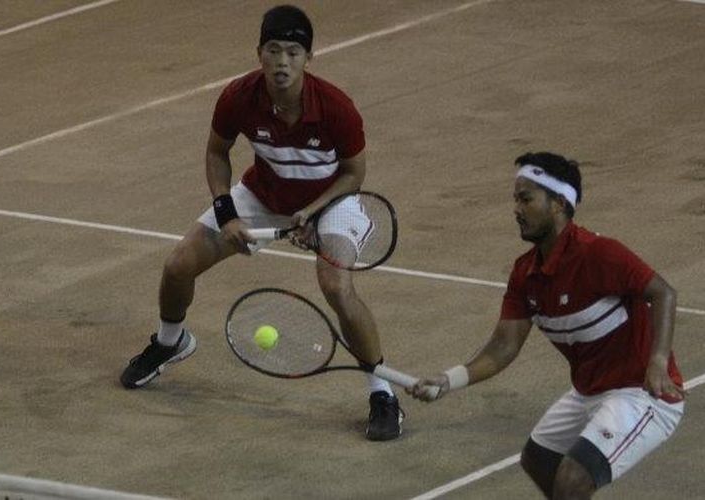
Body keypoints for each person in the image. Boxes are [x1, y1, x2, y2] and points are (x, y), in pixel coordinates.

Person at [120, 4, 403, 441]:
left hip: (333, 201)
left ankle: (383, 394)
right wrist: (225, 212)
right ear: (259, 54)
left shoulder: (335, 108)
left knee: (337, 287)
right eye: (274, 50)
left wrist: (315, 212)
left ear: (308, 58)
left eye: (293, 51)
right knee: (178, 264)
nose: (282, 61)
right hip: (263, 194)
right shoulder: (239, 96)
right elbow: (217, 152)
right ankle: (170, 341)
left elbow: (353, 174)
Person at [408, 152, 685, 498]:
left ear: (557, 203)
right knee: (538, 459)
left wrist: (658, 362)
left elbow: (663, 293)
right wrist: (449, 379)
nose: (516, 209)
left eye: (526, 199)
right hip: (589, 391)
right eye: (516, 199)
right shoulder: (526, 274)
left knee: (572, 478)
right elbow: (503, 347)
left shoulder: (599, 254)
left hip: (642, 393)